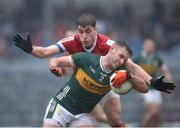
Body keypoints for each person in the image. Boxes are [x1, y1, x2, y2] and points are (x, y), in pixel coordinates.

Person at [13, 14, 175, 127]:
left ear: (95, 30)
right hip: (84, 83)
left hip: (107, 81)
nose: (84, 36)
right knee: (94, 115)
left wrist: (152, 81)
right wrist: (30, 49)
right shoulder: (72, 42)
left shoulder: (109, 45)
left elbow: (131, 65)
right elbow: (47, 53)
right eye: (80, 31)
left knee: (115, 119)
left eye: (88, 31)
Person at [45, 40, 149, 127]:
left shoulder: (120, 73)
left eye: (125, 60)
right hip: (61, 106)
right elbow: (54, 60)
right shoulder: (86, 59)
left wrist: (129, 76)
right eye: (120, 56)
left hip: (82, 114)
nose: (121, 62)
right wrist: (53, 67)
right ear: (112, 49)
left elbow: (145, 89)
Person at [134, 38, 173, 127]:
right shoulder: (137, 58)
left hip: (156, 88)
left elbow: (165, 70)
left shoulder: (156, 58)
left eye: (151, 46)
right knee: (153, 112)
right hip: (144, 87)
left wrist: (168, 81)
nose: (149, 48)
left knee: (157, 116)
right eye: (148, 46)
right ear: (144, 46)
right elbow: (130, 69)